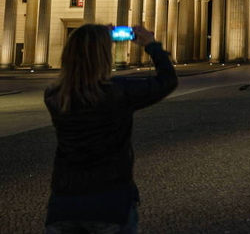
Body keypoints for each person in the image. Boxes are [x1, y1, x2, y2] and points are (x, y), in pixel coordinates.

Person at [44, 24, 178, 233]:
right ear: (105, 56)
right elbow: (167, 80)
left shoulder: (54, 95)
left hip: (63, 202)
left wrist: (96, 38)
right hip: (109, 200)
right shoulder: (118, 92)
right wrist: (151, 45)